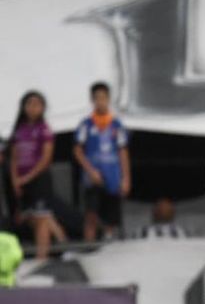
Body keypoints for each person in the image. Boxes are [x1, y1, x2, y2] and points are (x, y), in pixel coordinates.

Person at [8, 91, 66, 260]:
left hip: (39, 180)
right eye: (30, 104)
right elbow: (14, 158)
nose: (33, 108)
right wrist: (15, 181)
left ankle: (42, 257)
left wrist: (27, 178)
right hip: (22, 181)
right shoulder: (19, 130)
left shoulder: (44, 130)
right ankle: (65, 244)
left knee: (42, 217)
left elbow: (45, 159)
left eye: (37, 104)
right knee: (35, 217)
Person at [73, 82, 131, 241]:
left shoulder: (116, 124)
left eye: (103, 98)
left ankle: (109, 244)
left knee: (112, 216)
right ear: (92, 100)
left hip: (112, 176)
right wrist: (91, 171)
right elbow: (77, 151)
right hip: (93, 179)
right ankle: (89, 245)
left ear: (108, 99)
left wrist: (126, 178)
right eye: (97, 98)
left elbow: (123, 152)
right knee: (91, 214)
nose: (101, 101)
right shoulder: (86, 124)